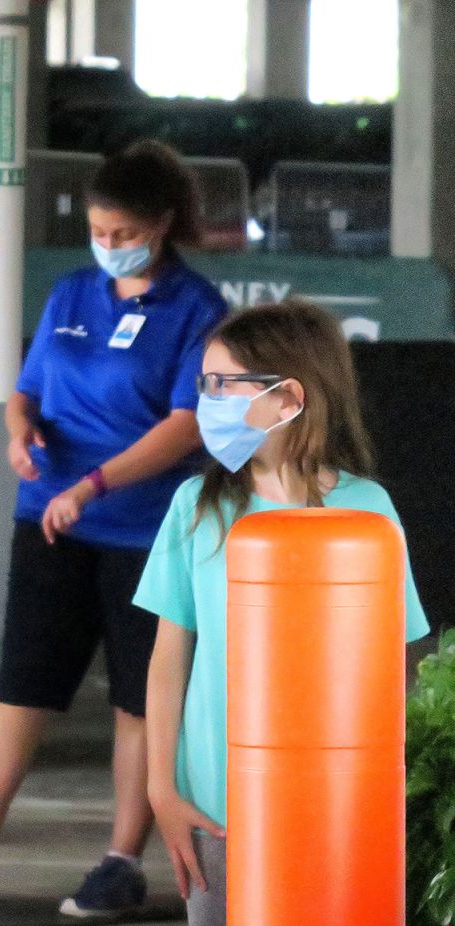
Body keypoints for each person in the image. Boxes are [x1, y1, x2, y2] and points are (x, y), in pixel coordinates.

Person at [0, 140, 228, 917]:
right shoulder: (70, 295)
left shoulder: (197, 311)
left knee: (137, 699)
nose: (110, 244)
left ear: (160, 225)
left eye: (124, 232)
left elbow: (188, 425)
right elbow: (27, 390)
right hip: (49, 519)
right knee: (24, 680)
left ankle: (122, 860)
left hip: (142, 529)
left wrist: (94, 484)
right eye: (99, 229)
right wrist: (16, 434)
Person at [137, 300, 429, 925]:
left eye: (221, 385)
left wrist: (379, 792)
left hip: (336, 811)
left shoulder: (368, 512)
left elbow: (395, 668)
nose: (205, 402)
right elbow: (168, 659)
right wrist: (161, 786)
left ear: (287, 397)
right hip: (215, 808)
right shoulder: (197, 505)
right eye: (202, 385)